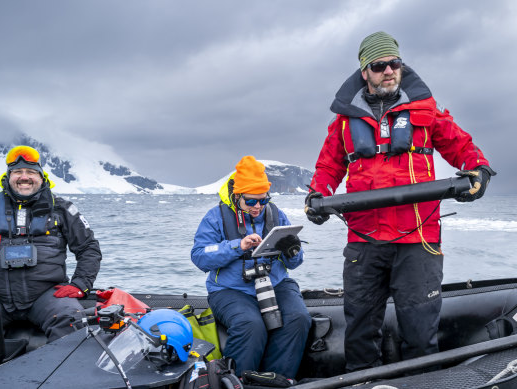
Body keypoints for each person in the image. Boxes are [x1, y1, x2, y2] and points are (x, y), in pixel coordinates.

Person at [305, 32, 495, 372]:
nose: (389, 70)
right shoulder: (344, 122)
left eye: (395, 63)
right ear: (365, 71)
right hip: (364, 241)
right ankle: (363, 381)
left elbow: (461, 146)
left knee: (420, 331)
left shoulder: (427, 110)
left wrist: (478, 170)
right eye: (379, 65)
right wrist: (317, 194)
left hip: (418, 239)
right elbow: (329, 166)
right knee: (360, 330)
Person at [0, 145, 102, 342]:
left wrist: (80, 284)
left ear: (42, 177)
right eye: (18, 172)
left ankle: (54, 372)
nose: (24, 177)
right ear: (8, 177)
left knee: (71, 322)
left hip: (46, 296)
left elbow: (88, 248)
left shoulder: (62, 209)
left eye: (31, 172)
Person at [191, 156, 311, 378]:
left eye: (263, 201)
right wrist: (237, 246)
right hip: (230, 290)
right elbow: (199, 257)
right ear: (237, 197)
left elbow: (294, 265)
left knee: (299, 318)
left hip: (276, 283)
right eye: (251, 201)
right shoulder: (215, 217)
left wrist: (292, 251)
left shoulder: (277, 215)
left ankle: (277, 381)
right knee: (250, 324)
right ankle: (237, 382)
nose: (258, 207)